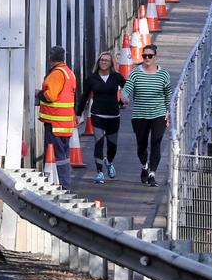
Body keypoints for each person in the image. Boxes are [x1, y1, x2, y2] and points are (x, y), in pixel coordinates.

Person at [122, 44, 173, 187]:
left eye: (150, 56)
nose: (147, 58)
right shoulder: (135, 73)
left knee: (156, 142)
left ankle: (152, 174)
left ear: (155, 57)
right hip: (140, 115)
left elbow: (168, 93)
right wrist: (124, 97)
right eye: (144, 56)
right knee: (141, 145)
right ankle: (144, 166)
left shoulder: (163, 74)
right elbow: (127, 89)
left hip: (159, 114)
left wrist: (168, 110)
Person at [76, 52, 126, 184]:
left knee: (112, 146)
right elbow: (84, 97)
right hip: (97, 115)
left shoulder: (116, 77)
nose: (104, 62)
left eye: (106, 61)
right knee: (98, 143)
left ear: (111, 64)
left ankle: (109, 162)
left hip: (113, 115)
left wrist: (121, 102)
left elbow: (128, 88)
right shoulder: (92, 78)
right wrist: (78, 113)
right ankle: (99, 173)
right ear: (98, 62)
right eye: (102, 60)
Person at [36, 45, 77, 190]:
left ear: (50, 58)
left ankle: (60, 185)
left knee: (56, 156)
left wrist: (39, 94)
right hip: (64, 123)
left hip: (54, 123)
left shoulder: (56, 74)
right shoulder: (68, 73)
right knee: (63, 156)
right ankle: (64, 183)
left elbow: (51, 96)